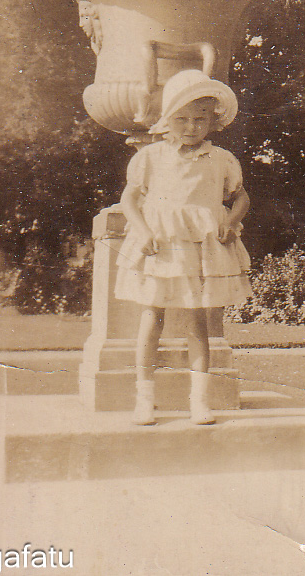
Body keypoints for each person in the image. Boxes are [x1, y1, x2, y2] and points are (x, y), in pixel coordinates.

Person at [114, 69, 251, 425]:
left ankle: (199, 400)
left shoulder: (221, 159)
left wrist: (232, 222)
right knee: (151, 317)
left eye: (199, 119)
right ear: (167, 120)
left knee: (197, 322)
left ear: (212, 120)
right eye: (182, 119)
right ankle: (144, 398)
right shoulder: (151, 156)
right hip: (161, 245)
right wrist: (142, 231)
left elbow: (240, 198)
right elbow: (130, 200)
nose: (191, 127)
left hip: (201, 247)